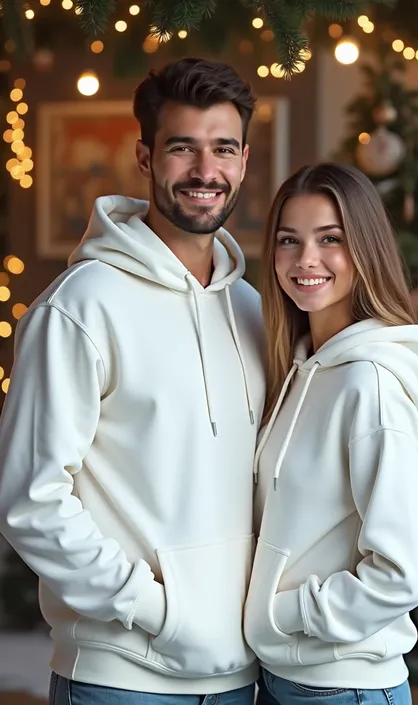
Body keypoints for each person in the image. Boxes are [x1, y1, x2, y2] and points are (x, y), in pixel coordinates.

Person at [0, 58, 266, 705]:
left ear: (244, 159)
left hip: (239, 678)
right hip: (120, 678)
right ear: (145, 158)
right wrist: (153, 608)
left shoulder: (254, 309)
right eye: (183, 148)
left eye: (222, 149)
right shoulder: (78, 309)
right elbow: (29, 498)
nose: (206, 171)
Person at [244, 163, 418, 705]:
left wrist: (278, 613)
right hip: (283, 678)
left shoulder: (371, 383)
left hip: (344, 688)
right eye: (289, 240)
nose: (305, 260)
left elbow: (402, 574)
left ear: (364, 250)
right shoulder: (300, 369)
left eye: (330, 239)